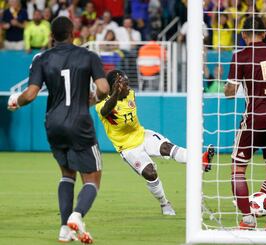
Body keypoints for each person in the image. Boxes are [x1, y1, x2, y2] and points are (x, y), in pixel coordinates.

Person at [7, 16, 110, 244]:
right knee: (93, 179)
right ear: (73, 33)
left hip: (53, 123)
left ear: (51, 36)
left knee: (67, 175)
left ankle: (65, 229)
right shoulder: (89, 56)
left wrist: (16, 101)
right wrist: (93, 97)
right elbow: (104, 88)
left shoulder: (42, 59)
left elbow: (31, 94)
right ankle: (77, 215)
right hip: (79, 121)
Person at [95, 69, 214, 215]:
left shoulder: (131, 94)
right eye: (124, 85)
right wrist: (115, 94)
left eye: (127, 83)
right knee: (150, 174)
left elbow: (126, 103)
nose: (128, 87)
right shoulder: (102, 104)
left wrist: (121, 91)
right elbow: (106, 111)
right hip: (128, 147)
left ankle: (200, 160)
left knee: (167, 148)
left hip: (142, 134)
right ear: (115, 88)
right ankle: (165, 204)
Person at [225, 16, 266, 230]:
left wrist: (230, 85)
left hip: (256, 117)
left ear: (244, 34)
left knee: (238, 168)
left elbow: (230, 93)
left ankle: (248, 219)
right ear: (265, 33)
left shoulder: (240, 56)